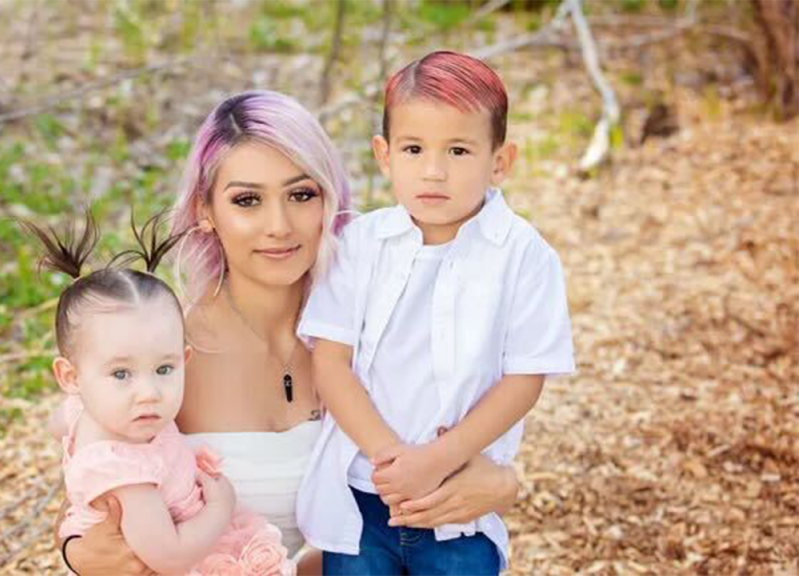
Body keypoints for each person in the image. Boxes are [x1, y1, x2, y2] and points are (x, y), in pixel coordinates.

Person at [61, 90, 522, 576]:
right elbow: (89, 497)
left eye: (301, 195)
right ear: (205, 210)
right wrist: (76, 548)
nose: (279, 226)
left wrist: (502, 484)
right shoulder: (162, 352)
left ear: (329, 198)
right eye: (247, 200)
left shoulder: (374, 335)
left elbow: (407, 505)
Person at [296, 51, 576, 575]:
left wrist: (437, 460)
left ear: (500, 161)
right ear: (384, 155)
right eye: (413, 148)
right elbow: (331, 362)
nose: (433, 171)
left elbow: (524, 380)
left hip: (457, 503)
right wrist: (391, 460)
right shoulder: (360, 244)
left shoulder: (524, 255)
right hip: (364, 496)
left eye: (459, 150)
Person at [31, 212, 294, 575]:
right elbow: (171, 556)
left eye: (164, 369)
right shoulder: (125, 474)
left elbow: (58, 423)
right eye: (121, 374)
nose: (149, 393)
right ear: (70, 376)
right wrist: (220, 507)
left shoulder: (87, 407)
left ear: (185, 360)